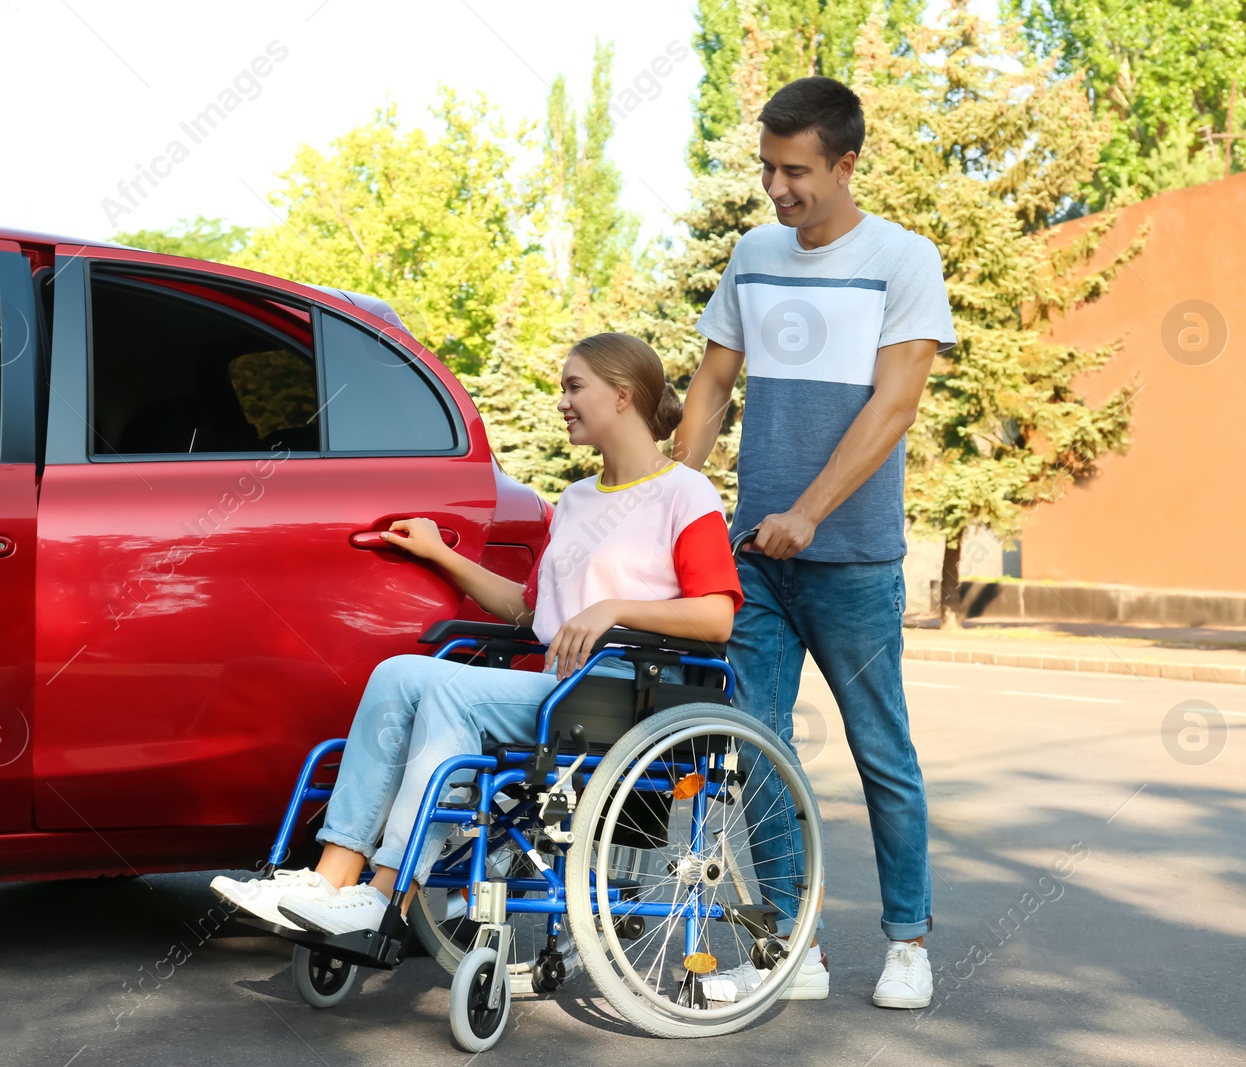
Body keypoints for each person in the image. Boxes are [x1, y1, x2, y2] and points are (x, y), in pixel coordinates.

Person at [211, 333, 744, 938]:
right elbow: (531, 610)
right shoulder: (574, 500)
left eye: (575, 387)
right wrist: (442, 554)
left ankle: (388, 894)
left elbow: (715, 617)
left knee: (448, 695)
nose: (562, 402)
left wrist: (614, 611)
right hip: (556, 689)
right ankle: (331, 876)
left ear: (622, 396)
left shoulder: (685, 492)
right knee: (397, 673)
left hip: (625, 691)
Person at [674, 76, 957, 1009]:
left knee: (882, 754)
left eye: (795, 170)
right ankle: (792, 947)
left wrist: (812, 512)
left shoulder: (904, 259)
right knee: (754, 753)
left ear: (846, 162)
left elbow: (895, 404)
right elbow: (712, 387)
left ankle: (909, 942)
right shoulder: (753, 255)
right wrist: (674, 498)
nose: (776, 188)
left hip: (854, 561)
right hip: (755, 560)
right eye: (766, 167)